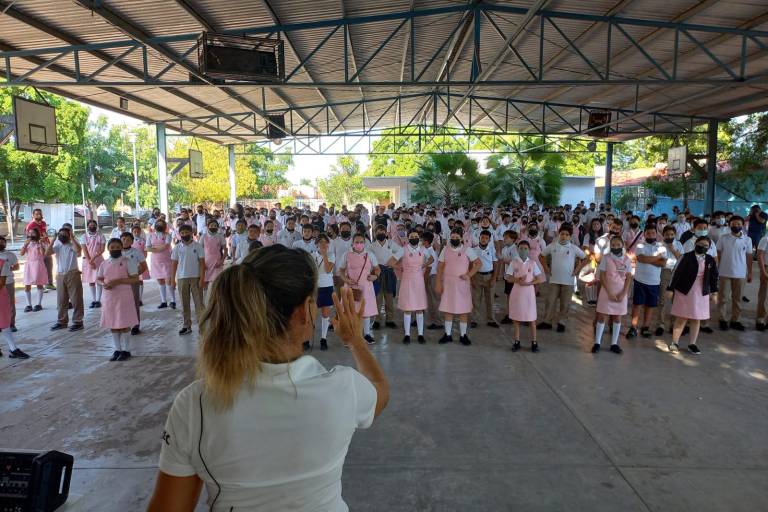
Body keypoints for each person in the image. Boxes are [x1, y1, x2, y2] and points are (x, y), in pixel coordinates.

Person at [147, 249, 388, 512]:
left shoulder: (196, 404)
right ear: (303, 312)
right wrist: (355, 340)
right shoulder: (342, 389)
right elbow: (380, 389)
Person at [668, 237, 719, 354]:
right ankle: (674, 342)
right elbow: (676, 273)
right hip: (684, 291)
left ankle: (692, 344)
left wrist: (714, 292)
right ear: (695, 244)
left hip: (701, 293)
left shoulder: (710, 260)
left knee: (696, 319)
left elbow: (714, 277)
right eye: (700, 244)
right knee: (682, 317)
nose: (702, 247)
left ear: (709, 248)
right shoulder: (685, 257)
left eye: (706, 246)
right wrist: (670, 289)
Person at [435, 228, 481, 346]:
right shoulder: (445, 249)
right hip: (448, 283)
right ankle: (447, 334)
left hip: (462, 284)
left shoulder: (467, 249)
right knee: (448, 309)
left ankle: (463, 335)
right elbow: (440, 267)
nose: (454, 239)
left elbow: (478, 263)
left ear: (461, 238)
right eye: (452, 237)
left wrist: (469, 275)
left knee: (463, 310)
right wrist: (438, 282)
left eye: (457, 237)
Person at [538, 224, 586, 332]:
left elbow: (586, 258)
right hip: (554, 279)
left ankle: (562, 322)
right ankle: (547, 321)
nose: (564, 236)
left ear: (570, 236)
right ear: (559, 234)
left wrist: (577, 270)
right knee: (550, 301)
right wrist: (546, 268)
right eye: (562, 234)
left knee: (565, 303)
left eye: (567, 235)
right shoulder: (552, 246)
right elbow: (541, 256)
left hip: (568, 281)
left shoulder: (573, 248)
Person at [98, 238, 140, 361]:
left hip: (124, 296)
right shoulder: (104, 263)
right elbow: (99, 278)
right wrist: (103, 284)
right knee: (112, 323)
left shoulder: (127, 261)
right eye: (112, 247)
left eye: (117, 247)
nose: (115, 249)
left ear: (121, 248)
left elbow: (135, 278)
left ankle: (126, 350)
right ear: (108, 249)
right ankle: (117, 349)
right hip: (109, 297)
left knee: (124, 323)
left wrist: (118, 281)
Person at [592, 236, 632, 354]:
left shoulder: (627, 259)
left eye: (618, 245)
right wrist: (609, 292)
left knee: (617, 318)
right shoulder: (606, 258)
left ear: (622, 245)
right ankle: (597, 343)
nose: (615, 247)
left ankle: (614, 343)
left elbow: (628, 278)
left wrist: (624, 293)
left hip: (620, 292)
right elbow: (602, 276)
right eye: (613, 245)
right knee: (601, 317)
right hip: (606, 291)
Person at [627, 225, 667, 339]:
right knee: (637, 305)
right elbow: (641, 259)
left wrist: (648, 259)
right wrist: (657, 257)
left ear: (656, 234)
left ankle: (645, 327)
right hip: (640, 280)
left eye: (653, 233)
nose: (650, 235)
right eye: (648, 233)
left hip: (654, 282)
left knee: (650, 306)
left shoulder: (661, 247)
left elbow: (663, 263)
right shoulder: (640, 245)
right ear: (644, 234)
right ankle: (633, 327)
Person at [339, 234, 380, 344]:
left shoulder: (370, 254)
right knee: (350, 312)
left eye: (361, 242)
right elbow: (341, 270)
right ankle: (351, 335)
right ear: (352, 243)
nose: (359, 244)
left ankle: (367, 334)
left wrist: (375, 276)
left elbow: (377, 268)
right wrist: (345, 279)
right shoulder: (346, 255)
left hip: (366, 287)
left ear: (364, 243)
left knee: (365, 311)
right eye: (356, 242)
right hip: (350, 287)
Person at [506, 240, 545, 352]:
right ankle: (517, 341)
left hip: (528, 294)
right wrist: (517, 280)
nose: (523, 250)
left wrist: (529, 283)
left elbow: (539, 278)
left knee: (531, 318)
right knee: (516, 318)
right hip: (517, 293)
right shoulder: (514, 262)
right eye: (521, 248)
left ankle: (534, 342)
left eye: (525, 248)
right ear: (517, 250)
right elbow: (508, 277)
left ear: (529, 250)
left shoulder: (532, 263)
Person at [397, 230, 433, 345]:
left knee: (419, 308)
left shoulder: (423, 249)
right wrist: (401, 268)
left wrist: (423, 265)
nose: (414, 238)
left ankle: (420, 334)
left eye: (416, 236)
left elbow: (431, 259)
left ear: (419, 238)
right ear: (408, 238)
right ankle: (407, 334)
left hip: (418, 280)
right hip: (407, 280)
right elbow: (392, 260)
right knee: (407, 308)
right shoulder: (403, 249)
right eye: (412, 236)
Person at [716, 216, 752, 331]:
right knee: (723, 298)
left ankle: (735, 320)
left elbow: (749, 257)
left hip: (740, 273)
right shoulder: (723, 238)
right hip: (724, 272)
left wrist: (750, 272)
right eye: (733, 224)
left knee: (738, 299)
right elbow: (718, 254)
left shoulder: (747, 240)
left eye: (738, 224)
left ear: (742, 225)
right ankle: (722, 319)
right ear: (729, 225)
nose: (736, 226)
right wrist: (717, 269)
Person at [47, 227, 84, 332]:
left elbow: (78, 251)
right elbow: (47, 253)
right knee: (61, 300)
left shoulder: (73, 244)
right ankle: (62, 321)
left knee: (76, 299)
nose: (62, 236)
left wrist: (72, 238)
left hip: (73, 274)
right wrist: (53, 240)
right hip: (60, 275)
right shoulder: (57, 245)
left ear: (69, 235)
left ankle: (78, 322)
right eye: (60, 234)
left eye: (64, 234)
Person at [170, 225, 205, 336]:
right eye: (182, 233)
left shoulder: (198, 246)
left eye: (187, 232)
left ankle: (202, 326)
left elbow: (202, 263)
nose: (185, 234)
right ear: (179, 234)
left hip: (196, 278)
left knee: (199, 303)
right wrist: (172, 280)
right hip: (182, 278)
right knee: (184, 303)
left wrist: (202, 278)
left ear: (191, 233)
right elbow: (174, 265)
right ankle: (186, 326)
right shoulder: (177, 248)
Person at [368, 225, 401, 330]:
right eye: (378, 232)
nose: (380, 233)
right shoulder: (372, 246)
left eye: (382, 231)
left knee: (389, 297)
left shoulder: (391, 243)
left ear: (386, 233)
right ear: (375, 234)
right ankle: (377, 320)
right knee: (377, 297)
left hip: (388, 272)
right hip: (377, 273)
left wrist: (393, 259)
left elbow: (401, 250)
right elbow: (367, 258)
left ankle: (390, 320)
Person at [0, 255, 28, 359]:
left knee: (4, 323)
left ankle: (13, 349)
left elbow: (1, 283)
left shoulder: (2, 263)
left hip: (1, 297)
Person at [657, 225, 683, 335]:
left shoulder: (678, 244)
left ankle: (673, 324)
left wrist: (673, 249)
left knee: (675, 300)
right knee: (662, 299)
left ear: (675, 235)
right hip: (665, 271)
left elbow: (681, 259)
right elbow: (658, 260)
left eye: (672, 234)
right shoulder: (659, 245)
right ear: (663, 235)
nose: (669, 236)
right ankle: (661, 324)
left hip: (677, 272)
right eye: (667, 234)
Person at [471, 230, 499, 328]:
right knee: (476, 299)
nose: (484, 239)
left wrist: (494, 278)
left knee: (490, 299)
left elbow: (496, 263)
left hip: (489, 276)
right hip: (477, 276)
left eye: (486, 238)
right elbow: (470, 264)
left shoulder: (492, 249)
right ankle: (474, 319)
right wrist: (471, 278)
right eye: (482, 237)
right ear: (479, 238)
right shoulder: (473, 250)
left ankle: (491, 319)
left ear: (489, 240)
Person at [313, 234, 335, 351]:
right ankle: (306, 339)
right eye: (320, 242)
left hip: (327, 286)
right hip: (315, 288)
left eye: (325, 242)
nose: (323, 244)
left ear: (328, 244)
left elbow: (327, 270)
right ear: (316, 244)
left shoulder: (331, 255)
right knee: (311, 314)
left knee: (325, 314)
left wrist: (324, 255)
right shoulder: (312, 255)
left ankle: (323, 338)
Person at [147, 218, 176, 309]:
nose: (160, 225)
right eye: (158, 224)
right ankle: (164, 301)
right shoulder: (150, 235)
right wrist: (158, 249)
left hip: (167, 259)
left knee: (168, 280)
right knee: (160, 281)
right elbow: (147, 248)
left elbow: (166, 246)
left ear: (165, 226)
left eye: (162, 224)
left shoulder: (168, 235)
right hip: (155, 261)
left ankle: (173, 300)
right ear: (155, 225)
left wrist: (154, 249)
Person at [25, 208, 55, 290]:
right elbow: (29, 237)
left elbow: (44, 233)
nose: (38, 215)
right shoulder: (31, 225)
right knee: (40, 266)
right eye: (36, 214)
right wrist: (39, 240)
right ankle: (41, 285)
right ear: (33, 215)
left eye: (40, 214)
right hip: (37, 247)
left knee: (49, 264)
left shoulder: (43, 223)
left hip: (45, 245)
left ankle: (49, 283)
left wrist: (46, 239)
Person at [21, 228, 48, 312]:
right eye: (29, 233)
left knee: (39, 284)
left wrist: (40, 244)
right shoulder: (27, 243)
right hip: (29, 265)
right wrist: (25, 245)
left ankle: (39, 304)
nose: (31, 235)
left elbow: (43, 254)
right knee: (27, 284)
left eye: (33, 233)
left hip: (38, 264)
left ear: (37, 234)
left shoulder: (41, 243)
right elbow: (21, 253)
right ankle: (29, 305)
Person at [81, 220, 106, 309]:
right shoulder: (84, 236)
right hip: (88, 261)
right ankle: (94, 300)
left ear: (96, 226)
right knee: (91, 281)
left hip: (98, 260)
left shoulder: (101, 236)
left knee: (98, 280)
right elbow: (84, 250)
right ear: (87, 226)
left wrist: (93, 258)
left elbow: (102, 250)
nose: (92, 226)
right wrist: (90, 261)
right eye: (90, 225)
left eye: (94, 225)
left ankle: (98, 300)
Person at [0, 236, 20, 332]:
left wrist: (8, 269)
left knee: (10, 303)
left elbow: (17, 267)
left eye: (2, 242)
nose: (1, 244)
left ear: (5, 244)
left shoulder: (10, 255)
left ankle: (11, 324)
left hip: (8, 282)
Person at [201, 219, 227, 290]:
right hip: (206, 262)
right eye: (211, 225)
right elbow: (200, 251)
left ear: (218, 227)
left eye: (215, 225)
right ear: (207, 226)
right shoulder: (203, 236)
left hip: (217, 262)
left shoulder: (220, 236)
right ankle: (205, 296)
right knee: (205, 282)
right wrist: (202, 263)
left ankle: (216, 296)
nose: (213, 227)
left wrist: (222, 261)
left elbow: (225, 250)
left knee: (217, 282)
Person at [757, 231, 768, 331]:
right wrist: (763, 272)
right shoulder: (765, 239)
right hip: (766, 267)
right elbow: (760, 255)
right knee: (763, 295)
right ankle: (760, 319)